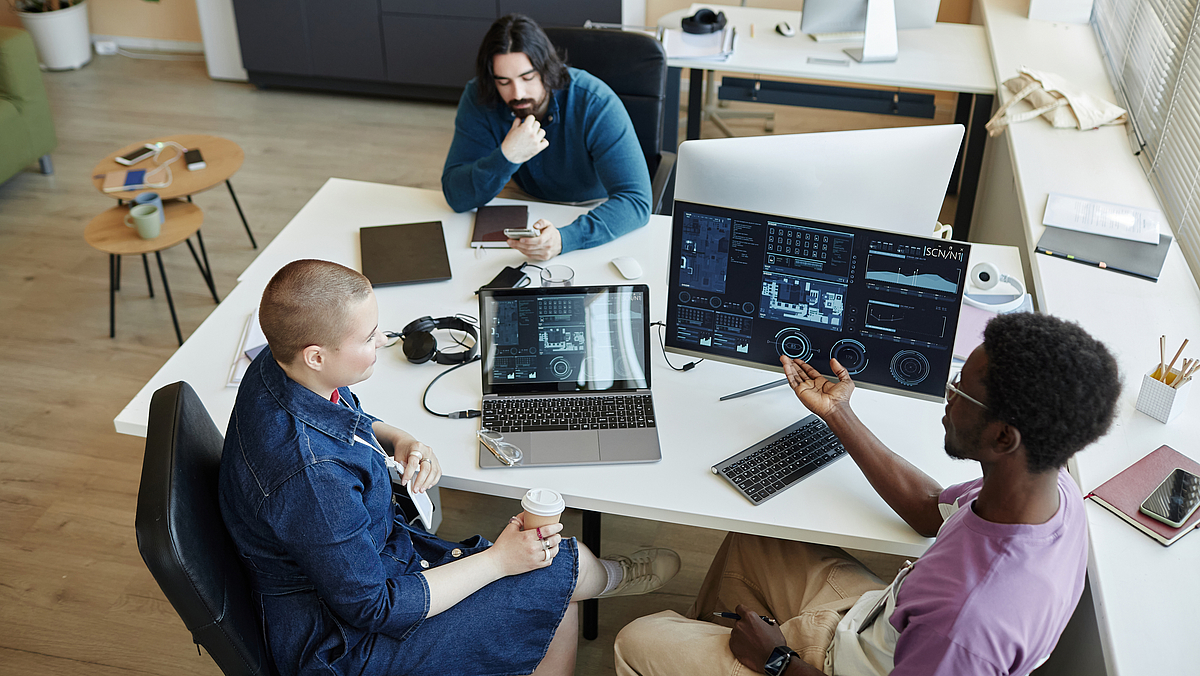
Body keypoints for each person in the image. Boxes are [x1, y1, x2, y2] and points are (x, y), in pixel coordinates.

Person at [218, 259, 680, 676]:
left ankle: (595, 578)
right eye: (367, 337)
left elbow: (340, 414)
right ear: (316, 355)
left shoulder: (277, 364)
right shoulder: (313, 478)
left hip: (363, 568)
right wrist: (498, 562)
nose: (383, 340)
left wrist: (399, 438)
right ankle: (605, 578)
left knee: (550, 572)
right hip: (342, 644)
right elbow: (375, 608)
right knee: (552, 569)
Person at [615, 312, 1121, 676]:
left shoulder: (964, 627)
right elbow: (927, 508)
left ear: (1003, 437)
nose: (947, 395)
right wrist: (837, 413)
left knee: (636, 639)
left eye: (960, 389)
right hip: (871, 621)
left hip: (845, 663)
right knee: (754, 537)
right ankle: (714, 643)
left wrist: (776, 661)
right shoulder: (1047, 489)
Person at [441, 14, 652, 261]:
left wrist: (564, 239)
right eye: (504, 82)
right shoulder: (481, 95)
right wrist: (507, 156)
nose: (517, 93)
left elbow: (636, 200)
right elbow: (456, 196)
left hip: (592, 209)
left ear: (547, 68)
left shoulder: (595, 102)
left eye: (527, 78)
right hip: (522, 202)